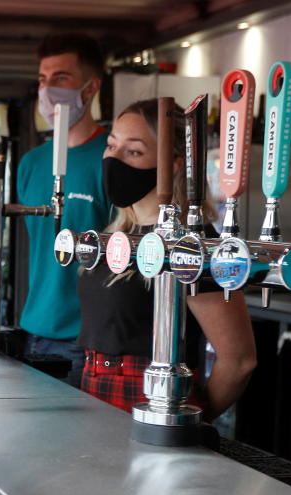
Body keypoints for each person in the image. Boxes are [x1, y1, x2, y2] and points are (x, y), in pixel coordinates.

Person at [78, 99, 256, 419]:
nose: (113, 160)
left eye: (133, 151)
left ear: (174, 164)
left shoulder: (191, 244)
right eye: (111, 146)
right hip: (95, 393)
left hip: (150, 403)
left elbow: (239, 359)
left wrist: (187, 423)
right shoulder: (121, 234)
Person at [17, 33, 112, 387]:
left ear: (90, 88)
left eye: (61, 79)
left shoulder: (113, 157)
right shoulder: (31, 163)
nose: (47, 91)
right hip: (33, 329)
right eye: (43, 80)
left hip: (88, 340)